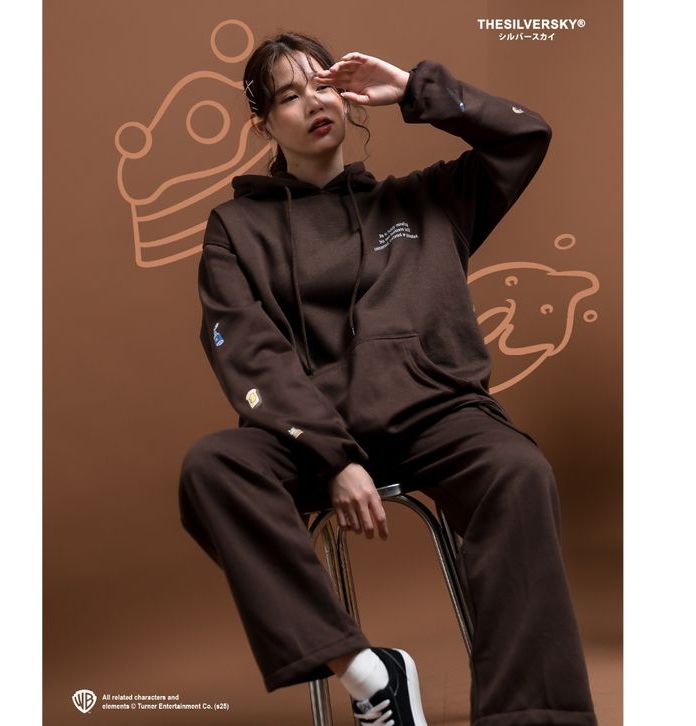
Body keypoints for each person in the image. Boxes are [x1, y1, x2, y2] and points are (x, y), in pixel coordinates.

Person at [179, 30, 598, 726]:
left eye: (323, 84)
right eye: (289, 96)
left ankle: (531, 718)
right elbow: (248, 353)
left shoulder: (430, 200)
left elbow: (525, 136)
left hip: (438, 418)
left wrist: (411, 89)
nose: (314, 102)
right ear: (263, 125)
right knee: (213, 468)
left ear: (347, 95)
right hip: (309, 437)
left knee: (518, 471)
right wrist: (332, 456)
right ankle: (370, 674)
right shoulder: (236, 228)